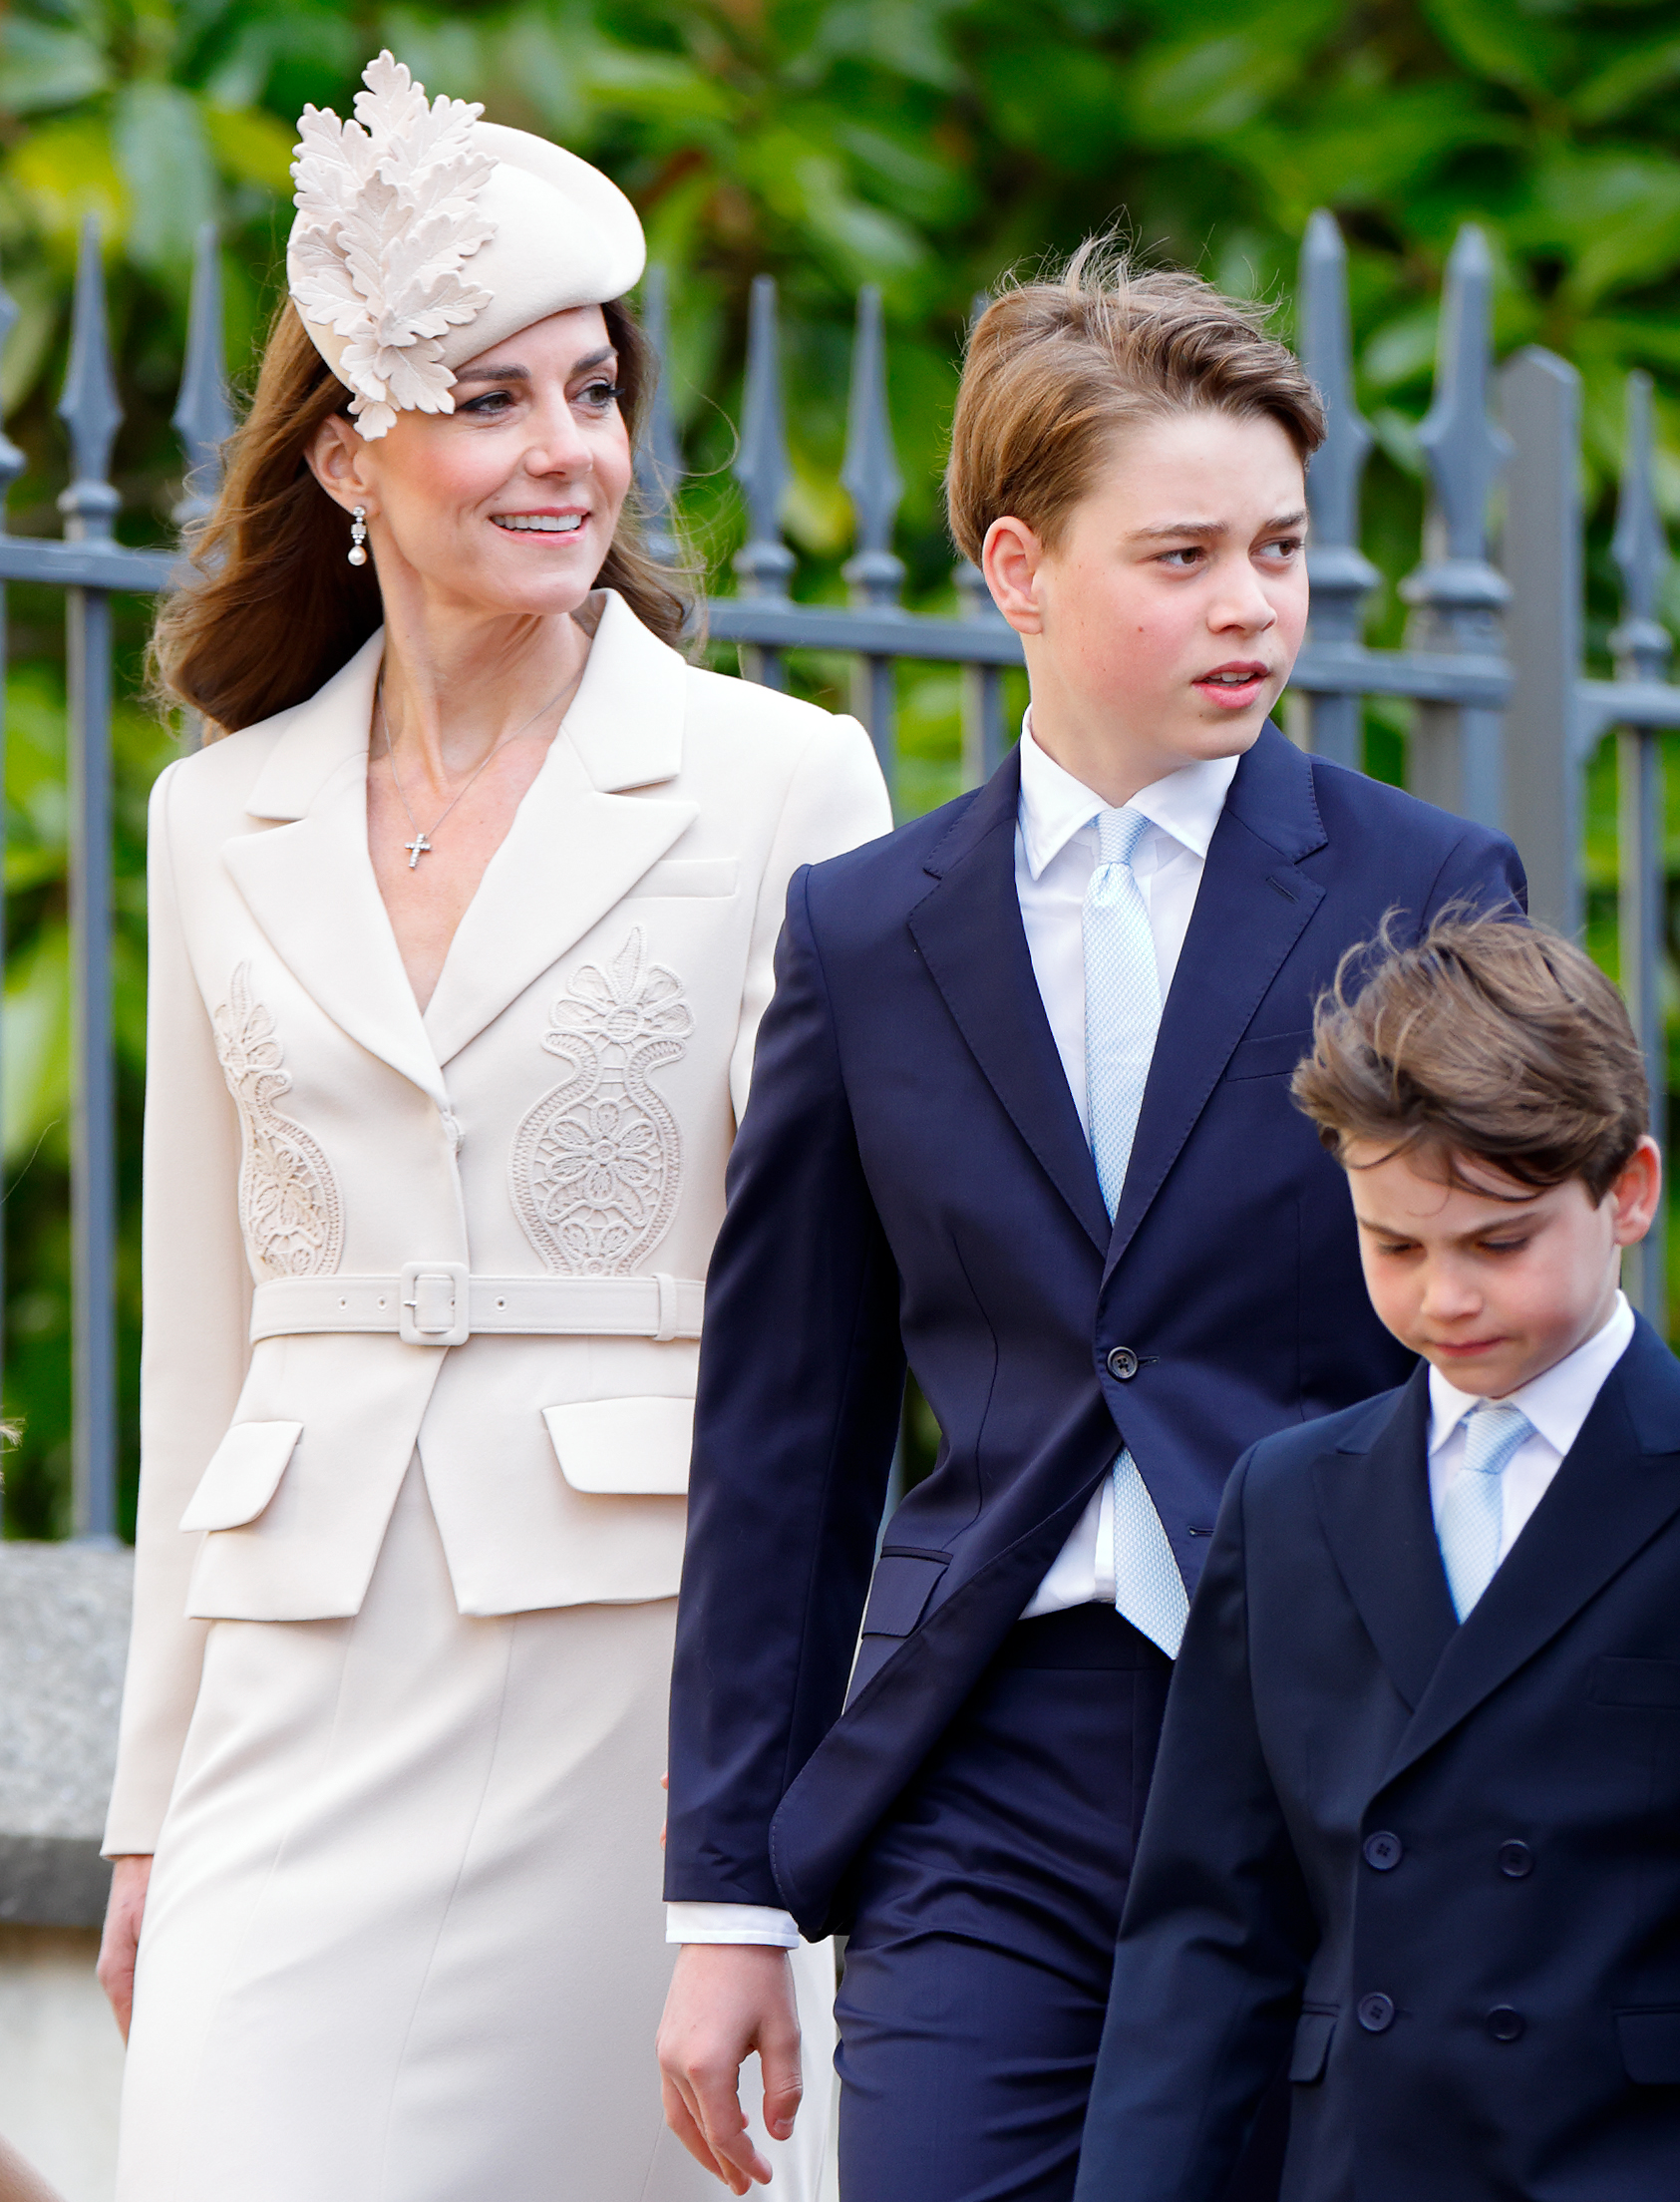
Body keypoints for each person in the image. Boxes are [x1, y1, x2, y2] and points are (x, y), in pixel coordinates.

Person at [96, 53, 888, 2202]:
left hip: (631, 1695)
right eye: (494, 399)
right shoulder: (215, 816)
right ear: (349, 448)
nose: (571, 454)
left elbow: (835, 1325)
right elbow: (203, 1345)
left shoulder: (780, 784)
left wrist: (764, 1837)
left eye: (596, 390)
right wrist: (152, 1804)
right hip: (292, 1696)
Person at [657, 246, 1527, 2202]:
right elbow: (788, 1429)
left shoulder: (1431, 888)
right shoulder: (868, 935)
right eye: (1186, 556)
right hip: (987, 1765)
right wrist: (723, 1901)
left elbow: (1505, 1343)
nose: (1254, 607)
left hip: (1345, 1739)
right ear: (1016, 566)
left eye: (1284, 551)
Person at [1074, 916, 1676, 2202]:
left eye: (1498, 1244)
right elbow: (1207, 1928)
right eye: (1393, 1246)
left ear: (1628, 1191)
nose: (1441, 1299)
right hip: (1368, 2167)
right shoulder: (1289, 1501)